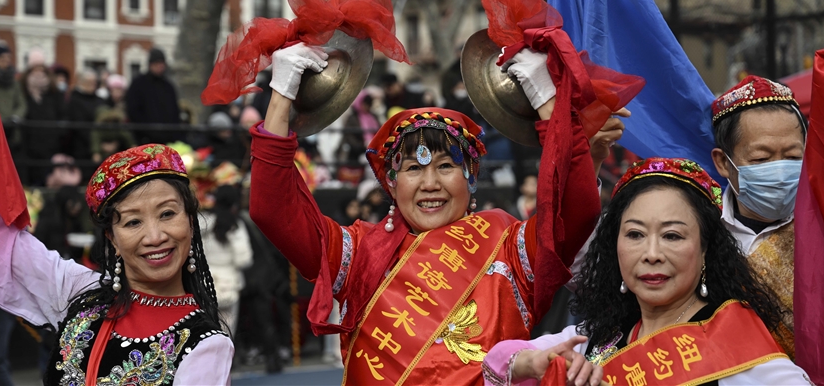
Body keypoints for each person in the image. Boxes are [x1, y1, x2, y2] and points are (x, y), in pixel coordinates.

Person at [247, 39, 623, 383]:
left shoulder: (509, 245)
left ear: (471, 179)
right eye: (413, 168)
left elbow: (573, 210)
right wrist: (281, 95)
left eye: (445, 166)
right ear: (391, 184)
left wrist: (546, 100)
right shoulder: (360, 252)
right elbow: (274, 210)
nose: (430, 183)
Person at [0, 85, 233, 385]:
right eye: (133, 223)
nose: (155, 236)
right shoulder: (81, 295)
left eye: (167, 214)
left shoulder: (208, 345)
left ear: (191, 223)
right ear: (112, 239)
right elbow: (1, 241)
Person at [482, 157, 810, 386]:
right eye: (635, 235)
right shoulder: (600, 339)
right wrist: (534, 364)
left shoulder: (736, 346)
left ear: (706, 247)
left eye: (672, 236)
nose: (651, 254)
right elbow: (495, 363)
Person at [709, 75, 805, 358]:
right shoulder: (696, 227)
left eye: (792, 156)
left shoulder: (821, 223)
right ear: (723, 162)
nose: (779, 171)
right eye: (761, 159)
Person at [199, 184, 253, 334]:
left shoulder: (201, 221)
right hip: (228, 283)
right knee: (226, 333)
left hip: (202, 283)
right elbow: (244, 259)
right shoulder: (234, 225)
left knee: (205, 334)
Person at [20, 56, 67, 185]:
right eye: (35, 68)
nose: (39, 72)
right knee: (31, 173)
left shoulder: (53, 90)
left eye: (41, 68)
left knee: (47, 173)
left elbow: (61, 112)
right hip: (30, 139)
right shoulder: (23, 89)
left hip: (50, 139)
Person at [125, 48, 183, 144]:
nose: (160, 67)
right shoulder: (138, 84)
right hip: (144, 138)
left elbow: (174, 111)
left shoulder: (168, 86)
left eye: (162, 64)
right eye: (157, 64)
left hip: (168, 139)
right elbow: (133, 110)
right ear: (150, 64)